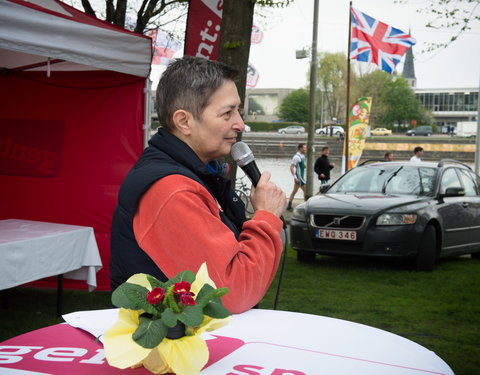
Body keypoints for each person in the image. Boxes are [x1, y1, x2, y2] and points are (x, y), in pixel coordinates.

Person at [109, 56, 286, 314]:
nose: (240, 124)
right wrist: (266, 218)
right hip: (175, 351)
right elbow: (231, 294)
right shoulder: (172, 191)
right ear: (184, 122)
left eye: (239, 111)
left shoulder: (194, 174)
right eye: (227, 113)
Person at [286, 143, 307, 211]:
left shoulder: (302, 156)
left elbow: (301, 165)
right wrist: (295, 177)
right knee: (306, 191)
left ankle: (289, 205)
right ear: (300, 148)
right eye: (304, 148)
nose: (305, 149)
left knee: (294, 191)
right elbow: (291, 167)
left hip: (301, 177)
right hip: (299, 177)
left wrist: (304, 166)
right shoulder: (296, 157)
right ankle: (306, 206)